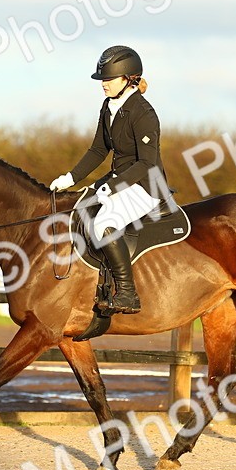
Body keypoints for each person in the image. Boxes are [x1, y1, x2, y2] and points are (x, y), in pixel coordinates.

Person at [49, 45, 171, 314]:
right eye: (102, 79)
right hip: (118, 179)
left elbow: (147, 163)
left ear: (129, 79)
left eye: (109, 79)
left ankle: (128, 293)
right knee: (79, 211)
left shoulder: (144, 114)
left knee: (104, 222)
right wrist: (71, 177)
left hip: (146, 186)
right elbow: (98, 149)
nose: (103, 85)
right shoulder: (109, 106)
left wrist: (112, 186)